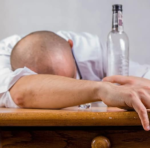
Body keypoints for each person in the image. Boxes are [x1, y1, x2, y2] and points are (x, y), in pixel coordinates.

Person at [1, 30, 150, 131]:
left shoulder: (90, 50)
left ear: (71, 47)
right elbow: (21, 94)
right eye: (52, 85)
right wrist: (103, 89)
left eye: (72, 79)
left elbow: (145, 78)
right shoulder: (4, 55)